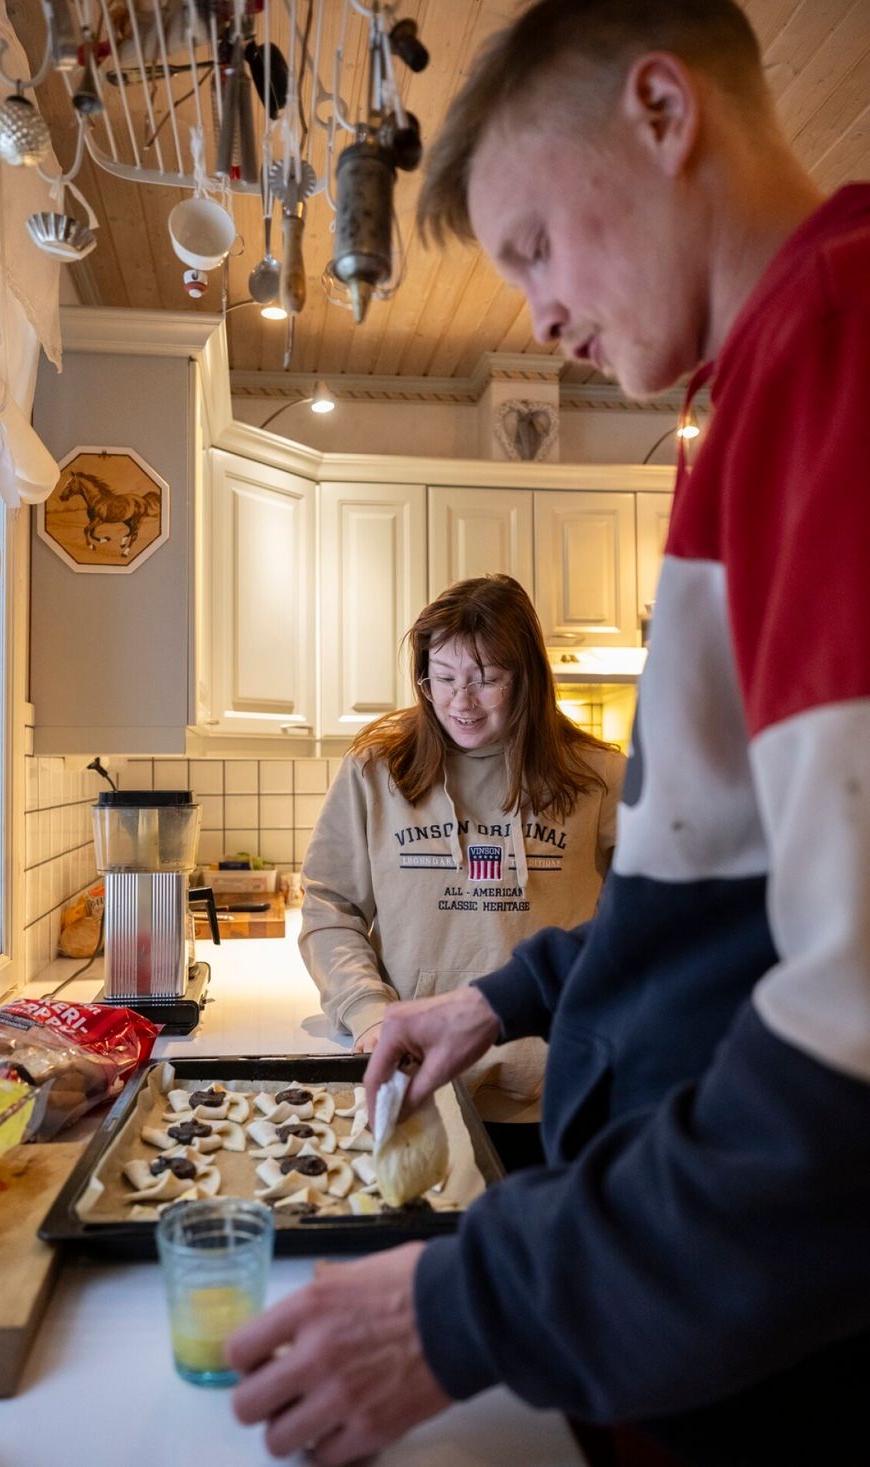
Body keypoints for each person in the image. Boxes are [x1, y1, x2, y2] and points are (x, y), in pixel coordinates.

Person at [228, 2, 870, 1464]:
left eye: (530, 246)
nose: (533, 316)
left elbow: (851, 1023)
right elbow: (736, 916)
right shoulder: (776, 368)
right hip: (680, 1321)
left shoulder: (836, 344)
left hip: (759, 1349)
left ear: (660, 111)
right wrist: (500, 997)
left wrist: (464, 1306)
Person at [299, 572, 624, 1169]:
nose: (460, 702)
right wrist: (368, 1010)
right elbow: (329, 907)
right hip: (421, 1078)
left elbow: (642, 922)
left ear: (526, 677)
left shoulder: (599, 777)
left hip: (562, 1088)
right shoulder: (378, 771)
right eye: (442, 679)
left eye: (486, 680)